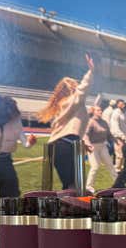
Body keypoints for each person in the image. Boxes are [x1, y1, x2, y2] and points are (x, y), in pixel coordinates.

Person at [37, 53, 94, 189]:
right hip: (65, 146)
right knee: (73, 187)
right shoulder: (71, 102)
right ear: (71, 87)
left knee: (72, 186)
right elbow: (82, 90)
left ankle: (66, 207)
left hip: (62, 146)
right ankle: (66, 208)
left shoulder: (66, 105)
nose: (77, 85)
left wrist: (81, 142)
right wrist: (91, 71)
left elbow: (72, 128)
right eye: (75, 84)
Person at [83, 106, 117, 193]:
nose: (100, 111)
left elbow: (109, 134)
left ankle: (118, 184)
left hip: (102, 146)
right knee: (95, 166)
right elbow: (85, 135)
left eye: (101, 110)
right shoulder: (90, 122)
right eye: (98, 110)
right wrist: (88, 144)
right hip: (92, 147)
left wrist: (116, 141)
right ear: (94, 112)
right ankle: (89, 187)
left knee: (110, 164)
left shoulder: (104, 122)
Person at [110, 99, 126, 171]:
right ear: (117, 104)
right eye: (121, 104)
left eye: (123, 104)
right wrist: (121, 135)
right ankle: (117, 170)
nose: (123, 105)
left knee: (124, 154)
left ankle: (121, 169)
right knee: (119, 155)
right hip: (118, 137)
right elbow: (115, 126)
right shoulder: (115, 113)